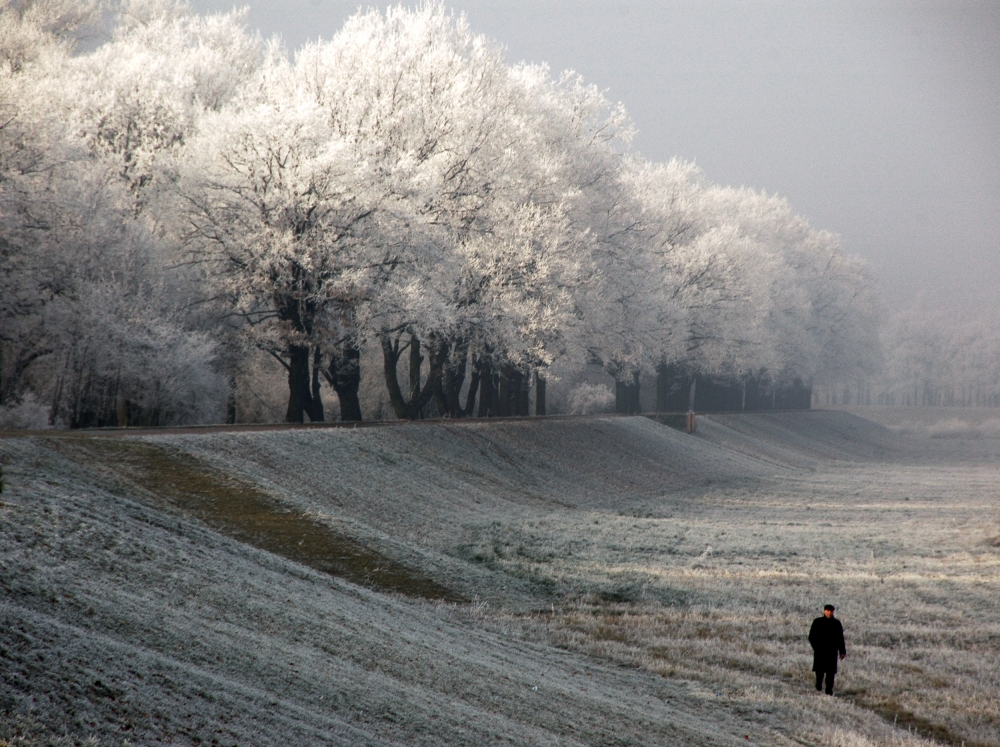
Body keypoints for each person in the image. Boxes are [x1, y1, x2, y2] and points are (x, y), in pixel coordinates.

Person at [809, 604, 846, 695]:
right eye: (827, 611)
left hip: (832, 652)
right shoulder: (817, 622)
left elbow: (840, 638)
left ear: (833, 612)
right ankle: (818, 687)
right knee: (819, 671)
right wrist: (816, 648)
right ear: (824, 611)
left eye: (831, 611)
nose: (829, 613)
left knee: (831, 673)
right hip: (820, 651)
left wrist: (842, 651)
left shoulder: (837, 623)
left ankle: (829, 691)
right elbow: (811, 637)